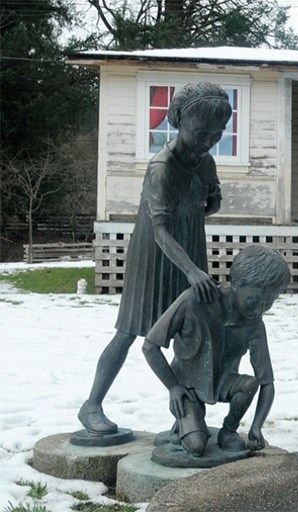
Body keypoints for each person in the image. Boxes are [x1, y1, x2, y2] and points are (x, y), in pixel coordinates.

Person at [78, 82, 232, 433]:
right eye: (200, 132)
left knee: (191, 330)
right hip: (153, 255)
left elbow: (213, 200)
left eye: (217, 133)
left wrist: (205, 204)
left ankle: (187, 414)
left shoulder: (205, 162)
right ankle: (91, 405)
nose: (208, 140)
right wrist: (192, 271)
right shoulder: (161, 167)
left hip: (190, 246)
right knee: (130, 331)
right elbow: (160, 230)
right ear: (180, 122)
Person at [142, 245, 291, 456]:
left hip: (224, 383)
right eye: (253, 301)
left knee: (249, 385)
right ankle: (183, 426)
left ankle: (228, 430)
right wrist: (173, 387)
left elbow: (266, 382)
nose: (259, 310)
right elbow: (150, 346)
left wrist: (256, 426)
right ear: (238, 284)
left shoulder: (254, 325)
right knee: (196, 446)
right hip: (187, 387)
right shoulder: (194, 300)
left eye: (268, 304)